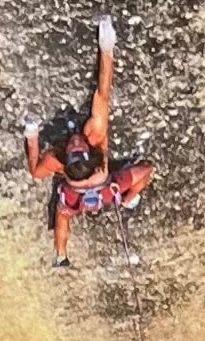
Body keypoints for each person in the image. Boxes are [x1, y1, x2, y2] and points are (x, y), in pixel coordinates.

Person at [21, 15, 153, 265]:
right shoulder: (96, 138)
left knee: (62, 213)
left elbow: (37, 171)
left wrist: (32, 136)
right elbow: (102, 94)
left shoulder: (58, 161)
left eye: (74, 147)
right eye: (78, 147)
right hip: (104, 192)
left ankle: (60, 256)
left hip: (77, 196)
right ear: (91, 156)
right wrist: (107, 48)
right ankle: (127, 199)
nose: (76, 142)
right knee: (146, 170)